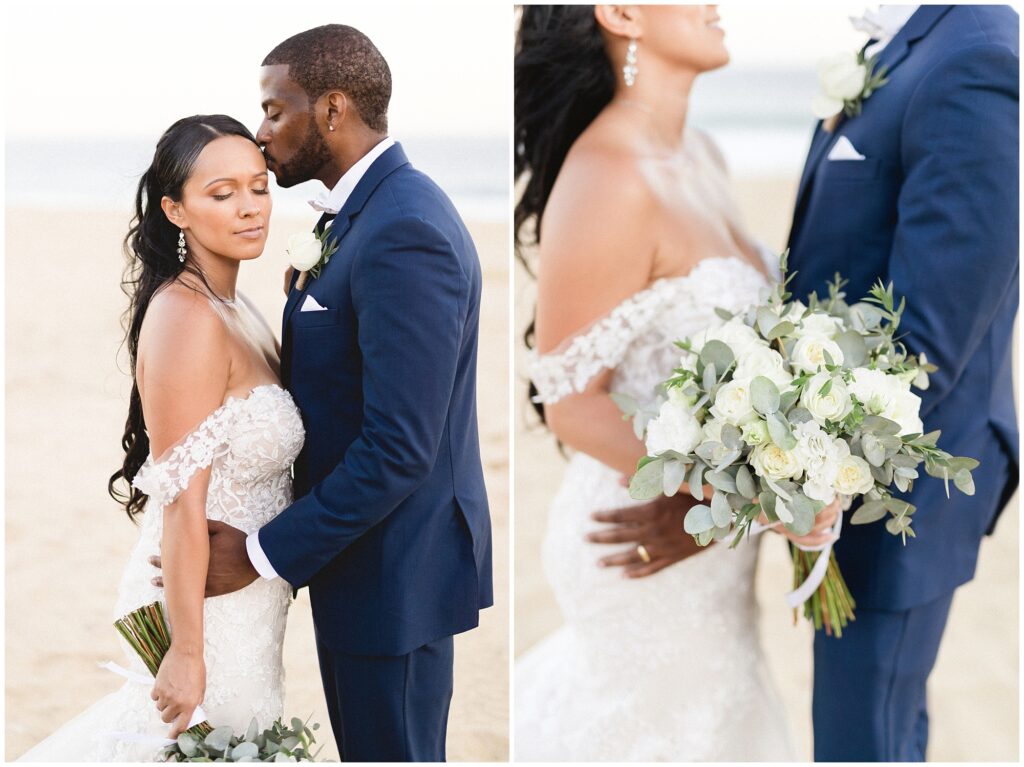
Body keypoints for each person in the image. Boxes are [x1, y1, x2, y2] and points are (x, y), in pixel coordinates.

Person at [150, 25, 494, 762]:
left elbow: (400, 447)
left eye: (276, 110)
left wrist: (265, 552)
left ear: (333, 110)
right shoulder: (364, 217)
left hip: (394, 579)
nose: (263, 131)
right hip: (360, 573)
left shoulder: (403, 228)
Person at [513, 6, 834, 760]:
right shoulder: (609, 177)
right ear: (621, 13)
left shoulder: (704, 154)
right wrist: (742, 496)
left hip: (717, 564)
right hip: (639, 540)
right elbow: (569, 401)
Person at [20, 115, 304, 761]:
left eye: (258, 187)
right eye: (221, 192)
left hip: (251, 605)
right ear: (175, 209)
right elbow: (181, 500)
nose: (249, 207)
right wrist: (185, 649)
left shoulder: (239, 306)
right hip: (200, 610)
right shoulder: (187, 316)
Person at [786, 5, 1019, 761]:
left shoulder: (972, 55)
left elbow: (934, 325)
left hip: (900, 483)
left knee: (866, 738)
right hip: (850, 474)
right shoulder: (909, 46)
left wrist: (827, 468)